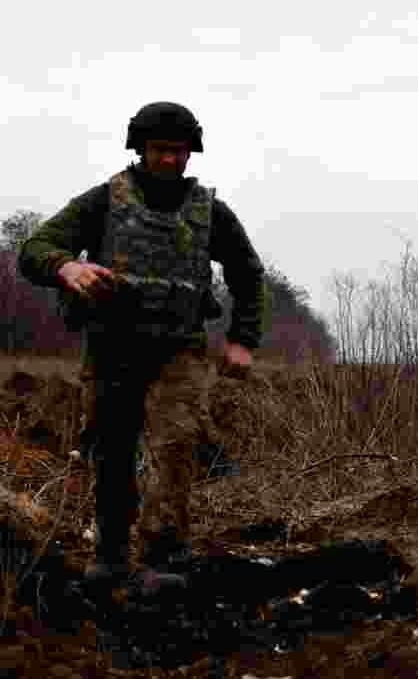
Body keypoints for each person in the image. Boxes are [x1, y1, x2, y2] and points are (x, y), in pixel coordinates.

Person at [17, 101, 267, 592]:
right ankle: (111, 552)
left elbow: (247, 274)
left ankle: (165, 556)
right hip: (113, 349)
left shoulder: (209, 213)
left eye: (179, 151)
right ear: (139, 149)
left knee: (175, 448)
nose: (170, 160)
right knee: (110, 451)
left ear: (191, 153)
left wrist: (242, 339)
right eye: (159, 150)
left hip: (181, 352)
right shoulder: (103, 203)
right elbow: (35, 249)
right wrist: (66, 268)